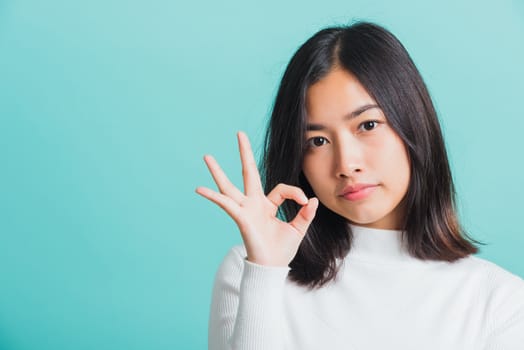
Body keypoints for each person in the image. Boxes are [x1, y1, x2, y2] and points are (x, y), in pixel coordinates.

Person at [196, 21, 524, 350]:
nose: (346, 164)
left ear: (412, 124)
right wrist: (265, 273)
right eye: (318, 140)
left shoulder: (499, 303)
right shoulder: (251, 270)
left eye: (368, 125)